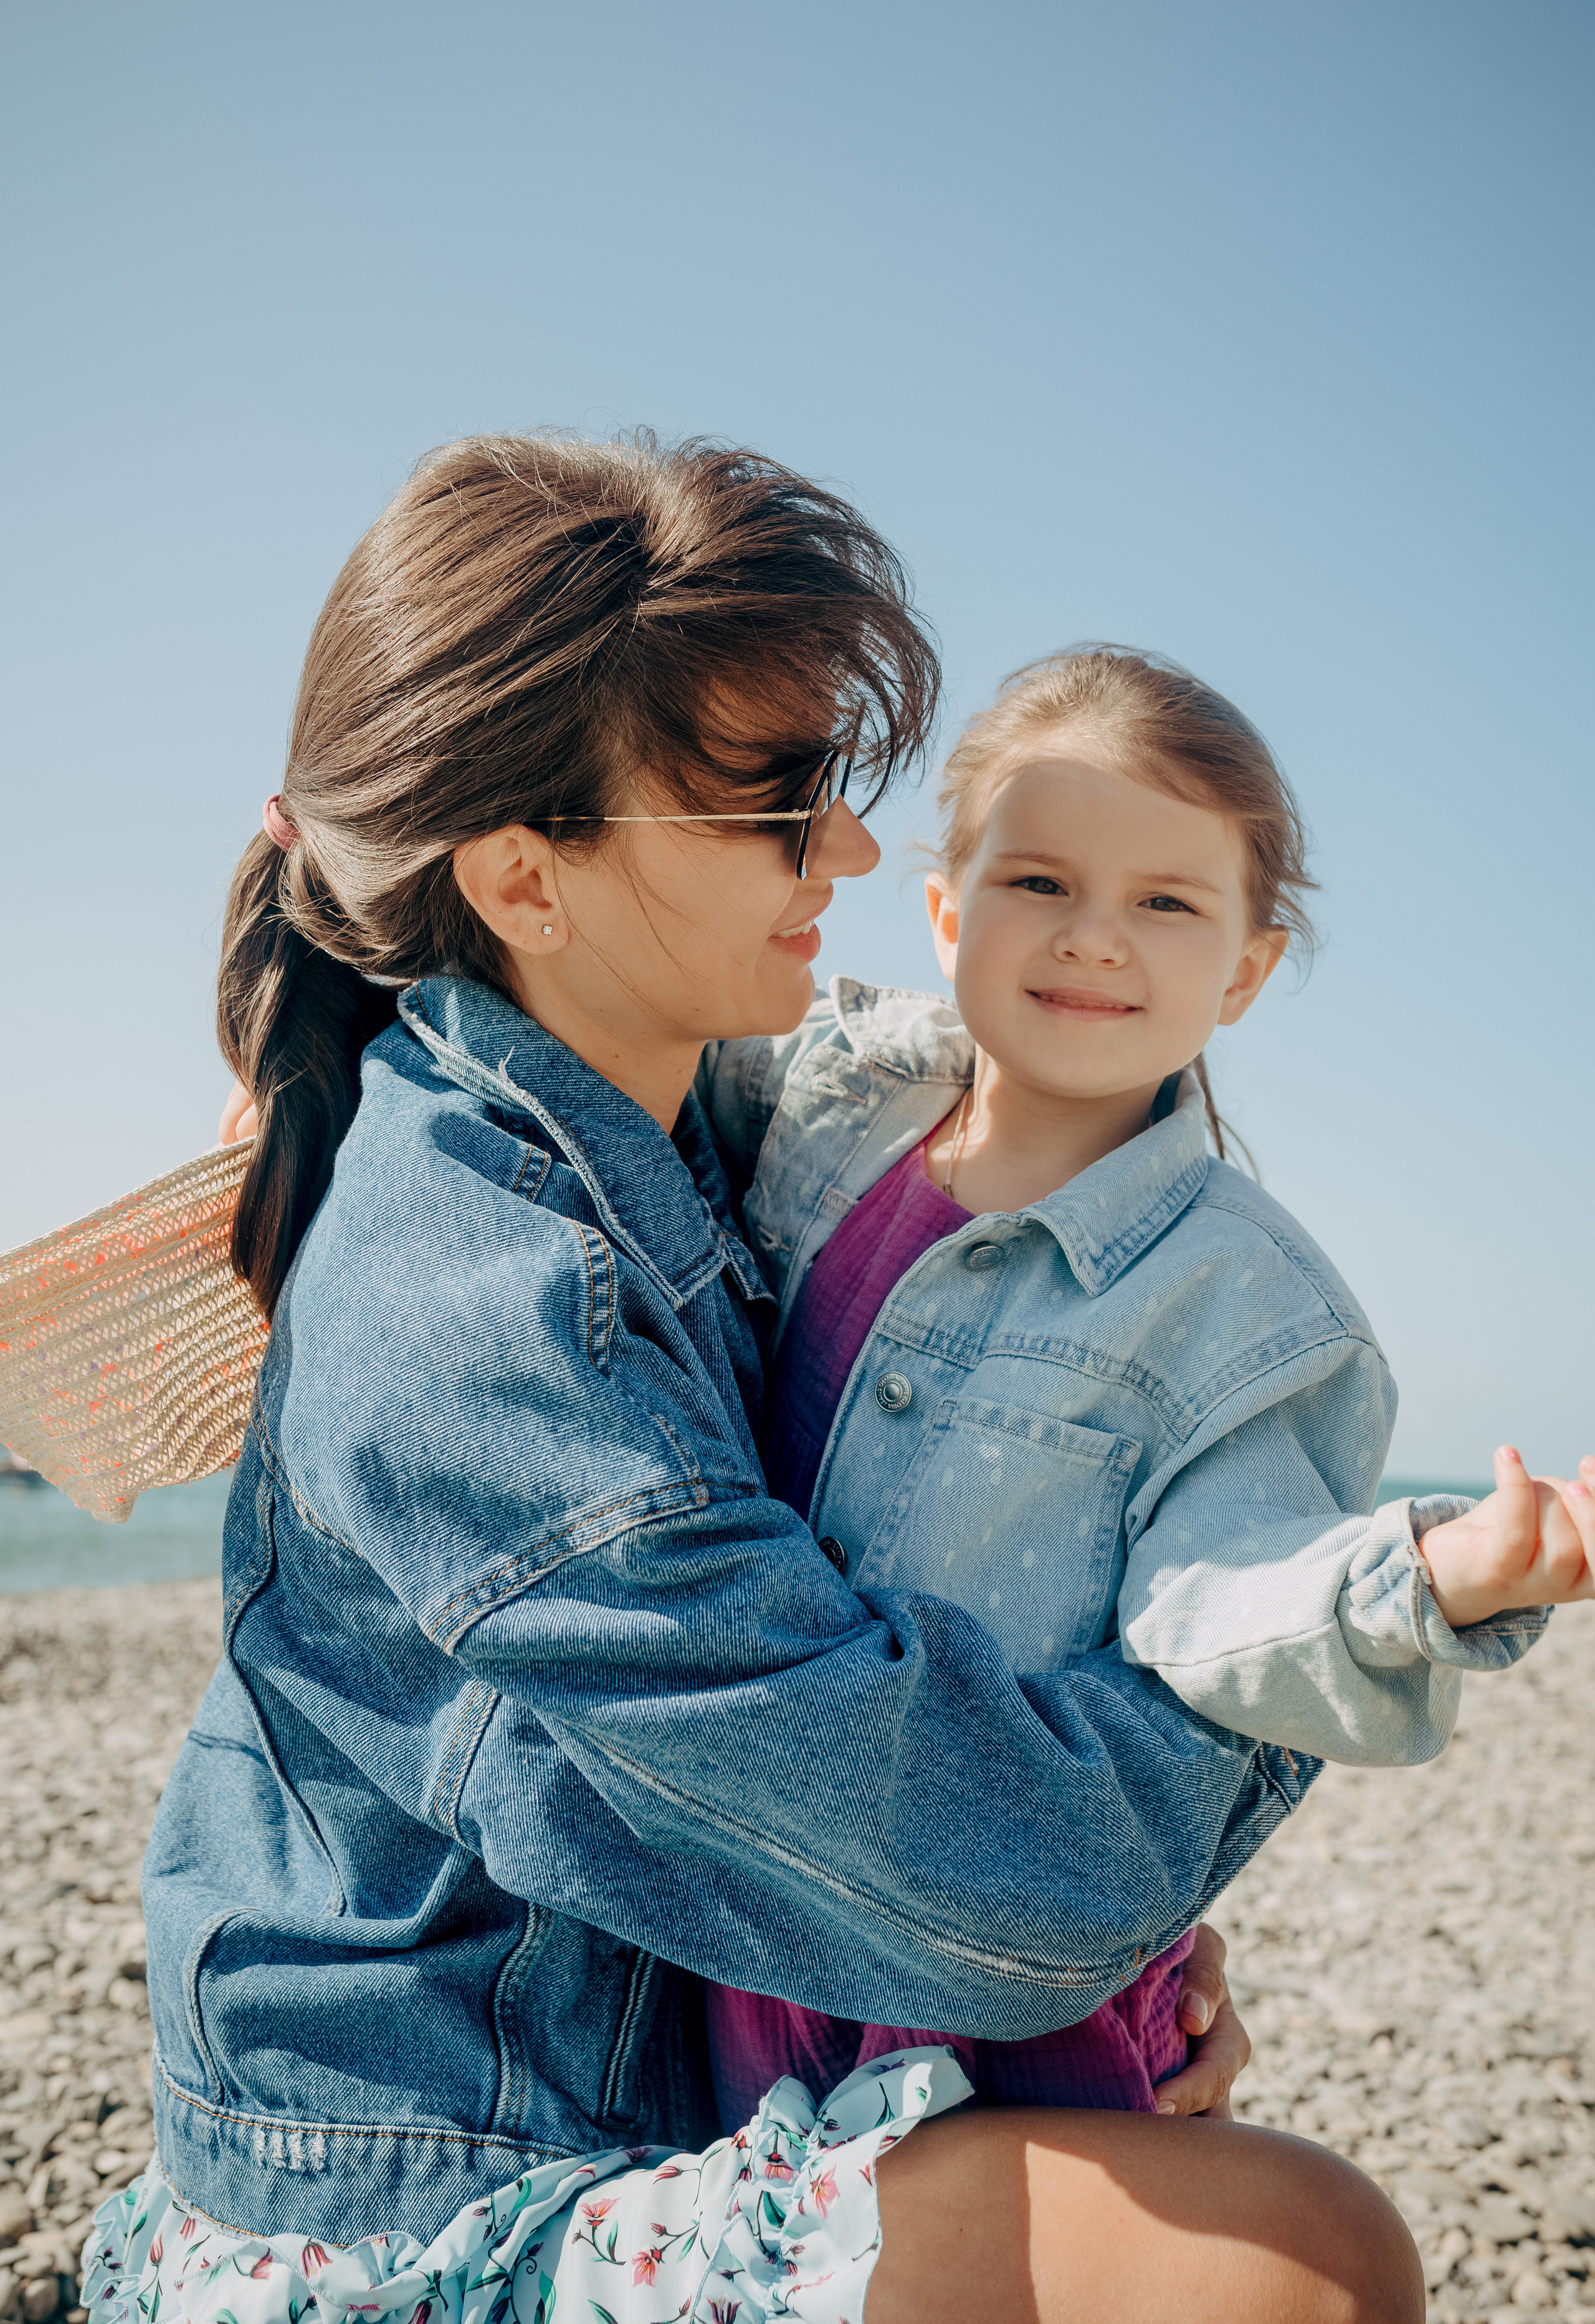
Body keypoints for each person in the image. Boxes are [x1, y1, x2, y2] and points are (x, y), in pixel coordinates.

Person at [87, 437, 1425, 2324]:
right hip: (444, 2208)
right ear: (523, 884)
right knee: (1306, 2264)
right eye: (779, 806)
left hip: (649, 2079)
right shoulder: (479, 1301)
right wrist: (1157, 1840)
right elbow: (981, 1868)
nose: (857, 856)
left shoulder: (690, 1118)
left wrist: (1112, 1931)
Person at [698, 643, 1593, 2136]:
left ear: (1241, 969)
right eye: (1038, 882)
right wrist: (314, 1053)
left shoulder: (1244, 1305)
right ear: (945, 911)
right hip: (724, 1899)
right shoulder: (811, 1096)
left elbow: (1224, 1592)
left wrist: (1437, 1573)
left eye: (1165, 903)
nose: (1092, 938)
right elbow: (580, 1071)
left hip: (981, 1960)